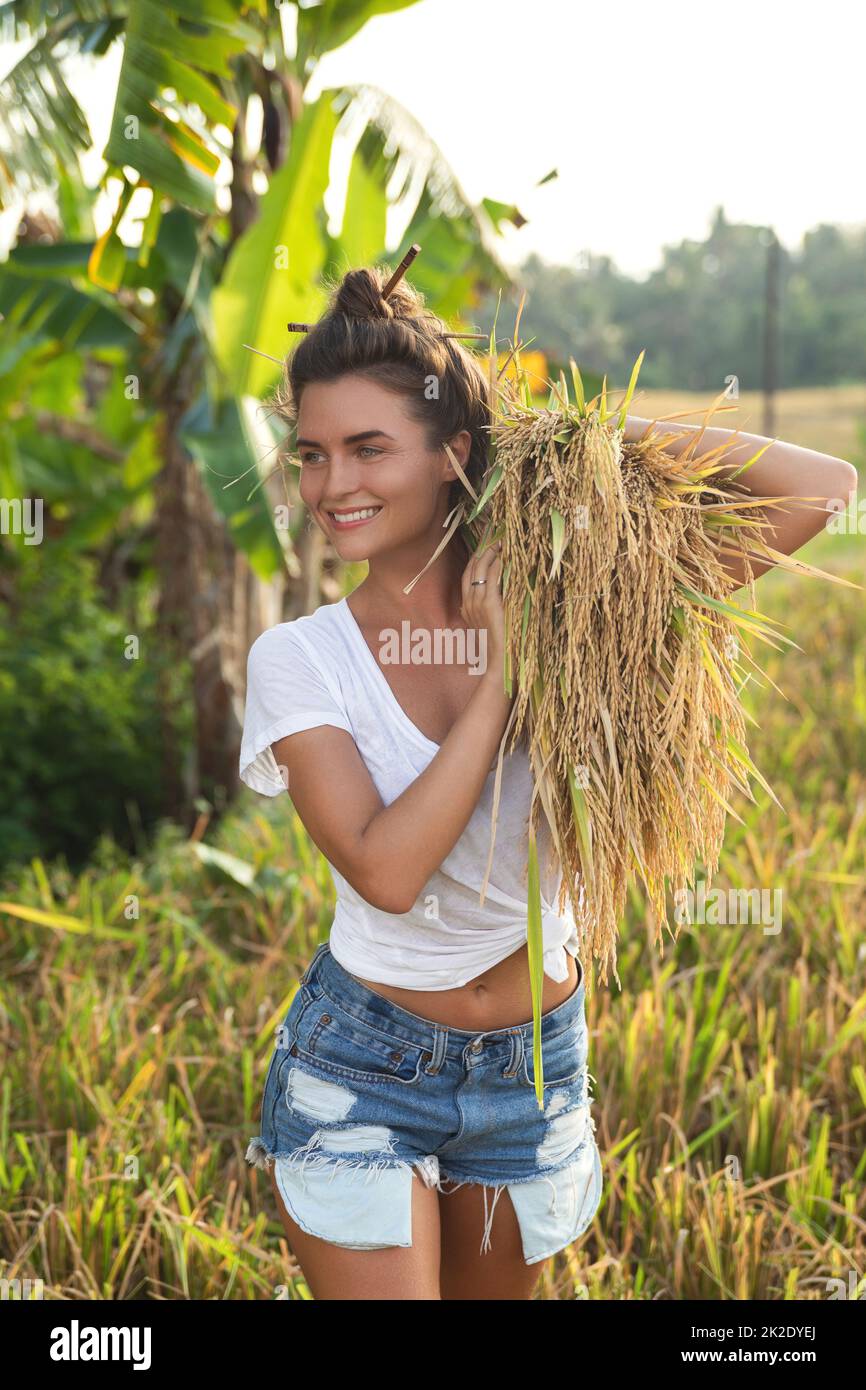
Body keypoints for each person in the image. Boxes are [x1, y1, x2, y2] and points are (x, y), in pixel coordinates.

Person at [240, 264, 603, 1300]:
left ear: (451, 455)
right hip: (364, 1062)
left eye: (366, 447)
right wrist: (498, 680)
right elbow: (387, 871)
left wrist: (578, 455)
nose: (330, 485)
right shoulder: (299, 660)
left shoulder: (576, 605)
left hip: (533, 1065)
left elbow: (816, 492)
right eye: (311, 454)